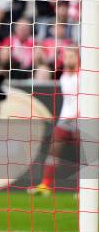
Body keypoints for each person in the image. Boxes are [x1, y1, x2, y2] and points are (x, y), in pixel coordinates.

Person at [29, 48, 80, 195]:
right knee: (53, 152)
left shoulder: (84, 76)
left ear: (78, 58)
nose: (68, 59)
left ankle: (83, 190)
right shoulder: (64, 76)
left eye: (71, 56)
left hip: (81, 120)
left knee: (84, 156)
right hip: (65, 120)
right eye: (66, 57)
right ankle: (45, 185)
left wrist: (78, 114)